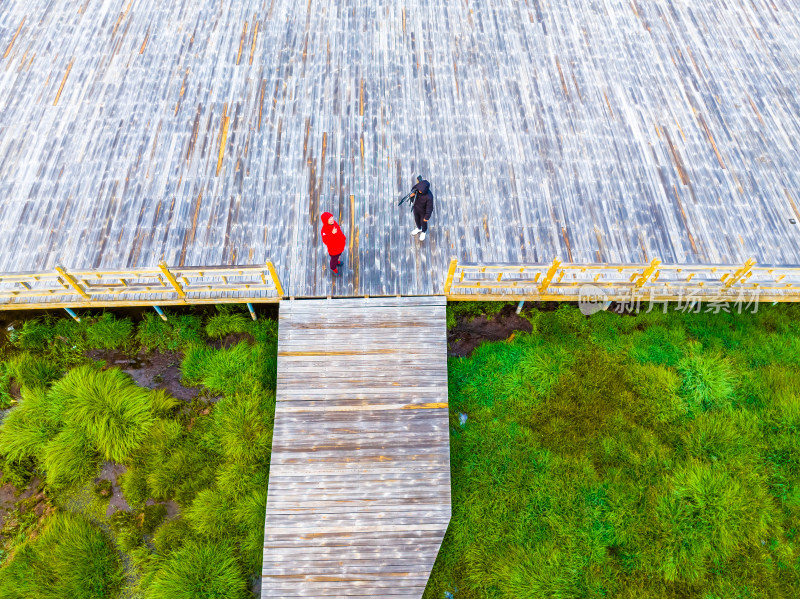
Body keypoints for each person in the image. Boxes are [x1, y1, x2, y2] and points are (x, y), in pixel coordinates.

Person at [409, 175, 434, 241]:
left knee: (423, 222)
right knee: (417, 220)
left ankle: (424, 232)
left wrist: (427, 217)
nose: (419, 191)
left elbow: (430, 208)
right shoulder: (418, 188)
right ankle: (419, 228)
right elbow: (412, 194)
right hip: (416, 208)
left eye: (420, 191)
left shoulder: (429, 197)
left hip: (423, 211)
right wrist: (411, 196)